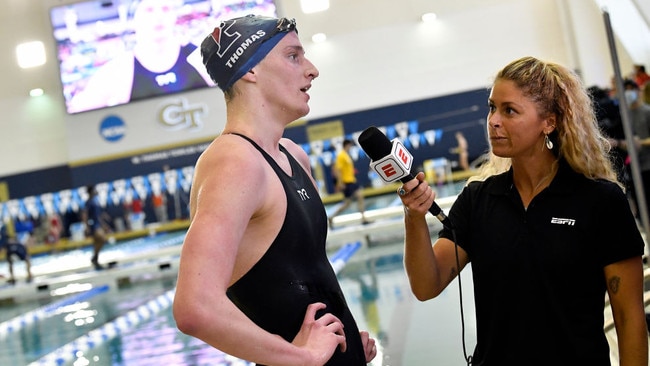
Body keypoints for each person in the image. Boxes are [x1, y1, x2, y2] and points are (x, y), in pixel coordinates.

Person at [396, 56, 648, 365]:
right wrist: (415, 216)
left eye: (509, 110)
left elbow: (628, 316)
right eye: (492, 108)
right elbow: (426, 285)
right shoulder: (478, 199)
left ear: (549, 122)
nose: (494, 121)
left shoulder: (599, 200)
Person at [172, 15, 376, 365]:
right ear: (249, 70)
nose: (312, 69)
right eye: (293, 56)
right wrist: (303, 358)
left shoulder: (292, 155)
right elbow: (195, 307)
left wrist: (347, 344)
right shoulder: (235, 163)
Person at [68, 0, 214, 113]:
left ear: (174, 16)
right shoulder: (118, 70)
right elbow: (78, 111)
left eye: (165, 9)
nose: (158, 17)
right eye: (149, 10)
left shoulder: (201, 58)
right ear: (134, 19)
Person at [328, 139, 369, 227]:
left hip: (351, 181)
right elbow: (337, 170)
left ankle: (363, 218)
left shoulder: (346, 155)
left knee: (356, 198)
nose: (350, 148)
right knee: (349, 202)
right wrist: (340, 183)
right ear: (347, 145)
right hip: (346, 182)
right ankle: (331, 217)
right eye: (350, 146)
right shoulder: (341, 155)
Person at [82, 185, 110, 270]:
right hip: (92, 224)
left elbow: (98, 215)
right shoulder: (88, 202)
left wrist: (103, 224)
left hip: (97, 223)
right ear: (91, 191)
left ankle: (95, 259)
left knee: (98, 242)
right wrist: (86, 226)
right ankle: (94, 258)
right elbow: (85, 214)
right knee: (102, 239)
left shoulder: (95, 201)